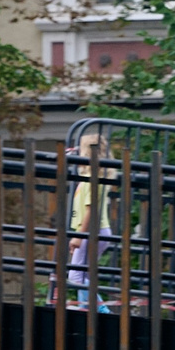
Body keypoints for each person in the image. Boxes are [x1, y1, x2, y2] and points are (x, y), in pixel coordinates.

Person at [60, 132, 116, 312]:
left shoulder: (93, 180)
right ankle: (95, 310)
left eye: (80, 150)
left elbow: (91, 211)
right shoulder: (90, 178)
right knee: (82, 274)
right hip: (96, 231)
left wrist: (78, 236)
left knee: (76, 275)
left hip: (92, 231)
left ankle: (92, 310)